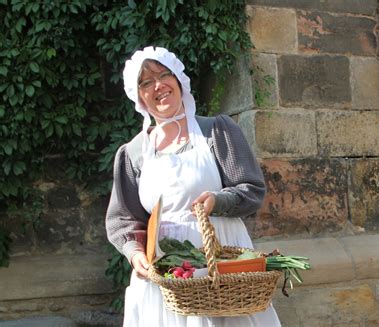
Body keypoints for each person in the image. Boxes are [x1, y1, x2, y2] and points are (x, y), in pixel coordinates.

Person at [105, 46, 281, 326]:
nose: (158, 85)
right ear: (138, 96)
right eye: (146, 82)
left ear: (179, 81)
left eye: (164, 75)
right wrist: (135, 252)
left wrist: (218, 200)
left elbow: (252, 189)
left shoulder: (217, 131)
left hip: (222, 256)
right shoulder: (133, 153)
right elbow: (124, 218)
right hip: (166, 268)